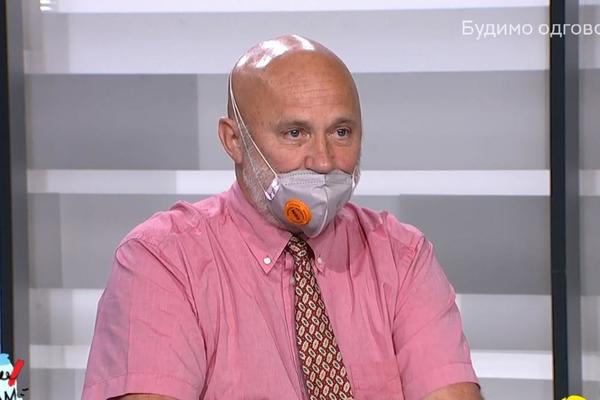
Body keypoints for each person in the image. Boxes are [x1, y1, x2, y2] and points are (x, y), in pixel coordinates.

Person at [82, 34, 481, 400]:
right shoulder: (164, 260)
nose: (323, 161)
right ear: (234, 140)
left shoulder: (403, 257)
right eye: (295, 133)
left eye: (341, 132)